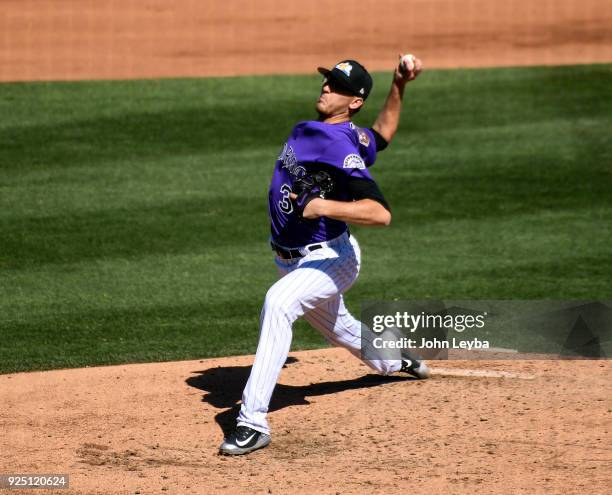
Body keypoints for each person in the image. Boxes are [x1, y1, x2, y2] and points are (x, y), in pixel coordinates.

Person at [220, 55, 429, 456]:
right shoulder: (341, 134)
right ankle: (393, 359)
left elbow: (380, 214)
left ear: (353, 101)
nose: (326, 87)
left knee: (278, 303)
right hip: (291, 260)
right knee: (342, 328)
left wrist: (324, 207)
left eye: (337, 85)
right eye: (327, 80)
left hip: (330, 258)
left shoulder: (338, 146)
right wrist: (399, 86)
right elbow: (381, 135)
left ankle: (252, 422)